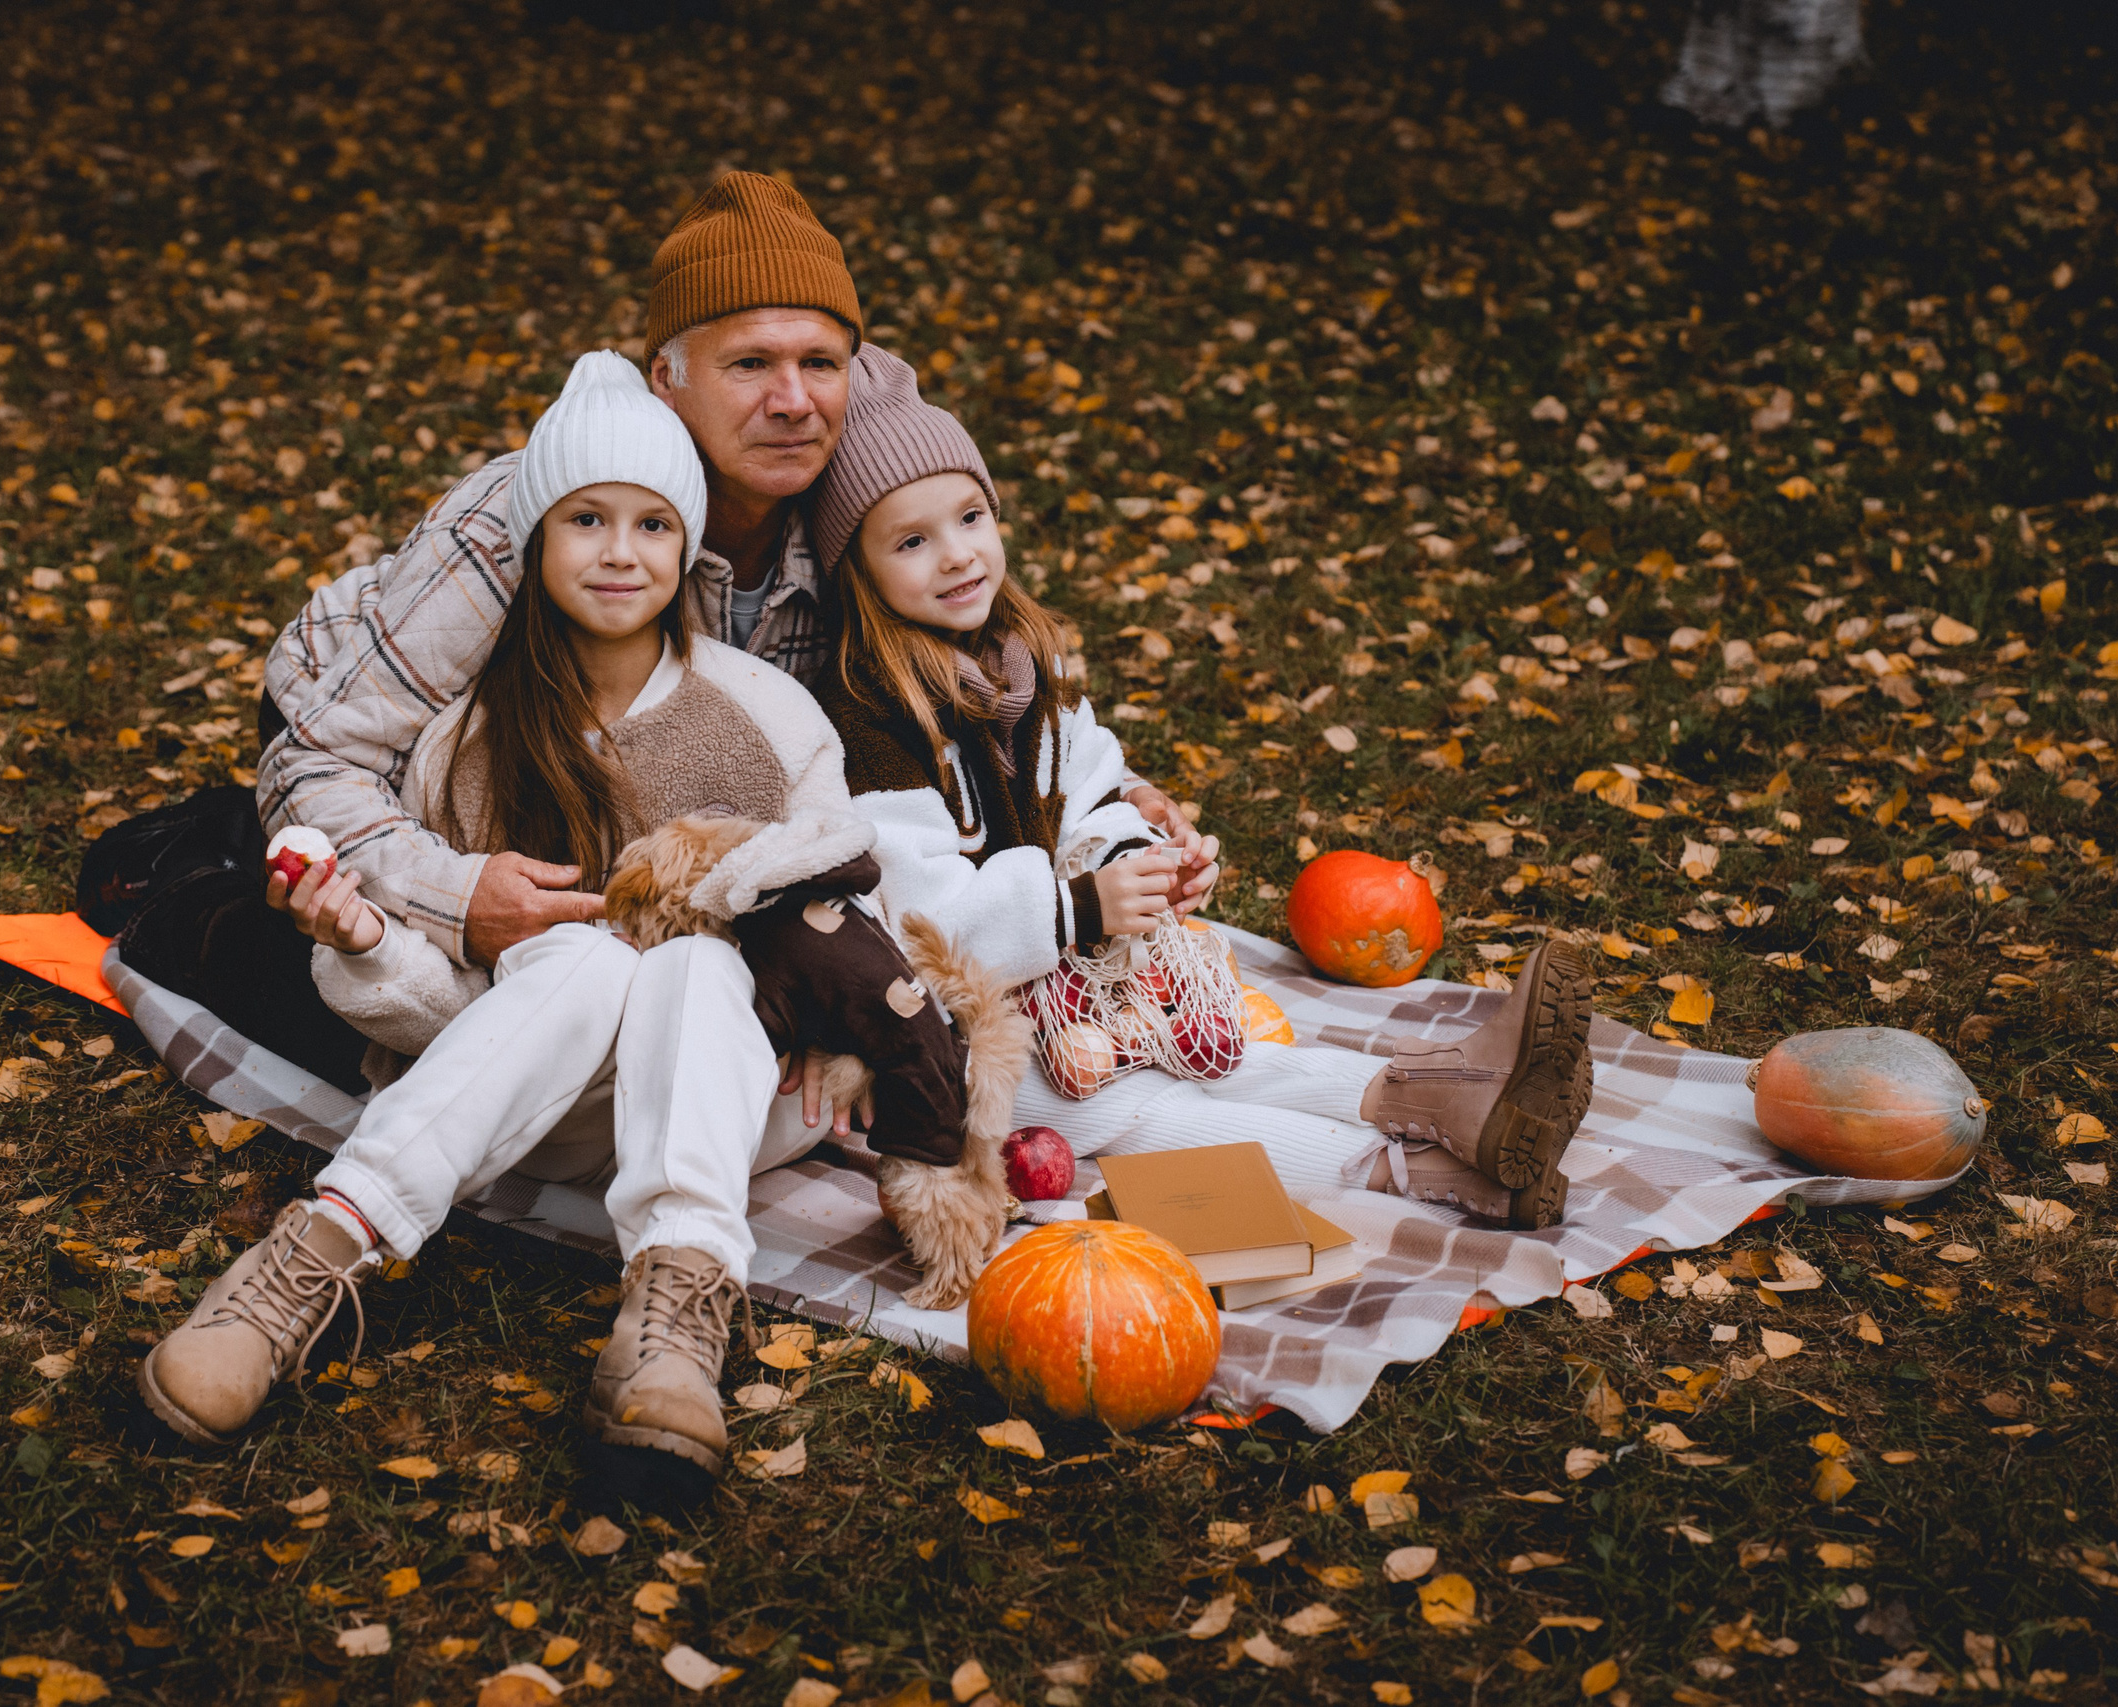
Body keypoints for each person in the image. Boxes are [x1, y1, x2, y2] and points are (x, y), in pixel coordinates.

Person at [255, 170, 1206, 1054]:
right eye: (750, 363)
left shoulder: (851, 512)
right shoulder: (542, 522)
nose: (794, 402)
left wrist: (1093, 811)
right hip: (384, 726)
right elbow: (315, 759)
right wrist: (454, 896)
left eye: (821, 363)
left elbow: (949, 693)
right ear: (666, 378)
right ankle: (196, 888)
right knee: (339, 994)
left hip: (634, 776)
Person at [141, 352, 873, 1497]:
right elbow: (445, 1009)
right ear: (532, 547)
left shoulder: (768, 721)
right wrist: (368, 944)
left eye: (650, 523)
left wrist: (850, 1037)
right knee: (580, 957)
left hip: (723, 1094)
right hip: (521, 1099)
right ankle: (315, 1256)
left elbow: (841, 914)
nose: (620, 552)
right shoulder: (468, 741)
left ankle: (675, 1313)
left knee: (688, 963)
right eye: (585, 519)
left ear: (688, 549)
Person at [809, 346, 1591, 1228]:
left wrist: (1143, 861)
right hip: (950, 1034)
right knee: (1122, 1106)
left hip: (1064, 987)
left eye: (971, 517)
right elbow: (918, 916)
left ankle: (1450, 1098)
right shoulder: (867, 715)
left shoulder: (1020, 655)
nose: (957, 556)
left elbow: (1092, 789)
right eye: (913, 541)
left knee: (1211, 1047)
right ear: (860, 570)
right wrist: (1079, 908)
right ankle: (1415, 1174)